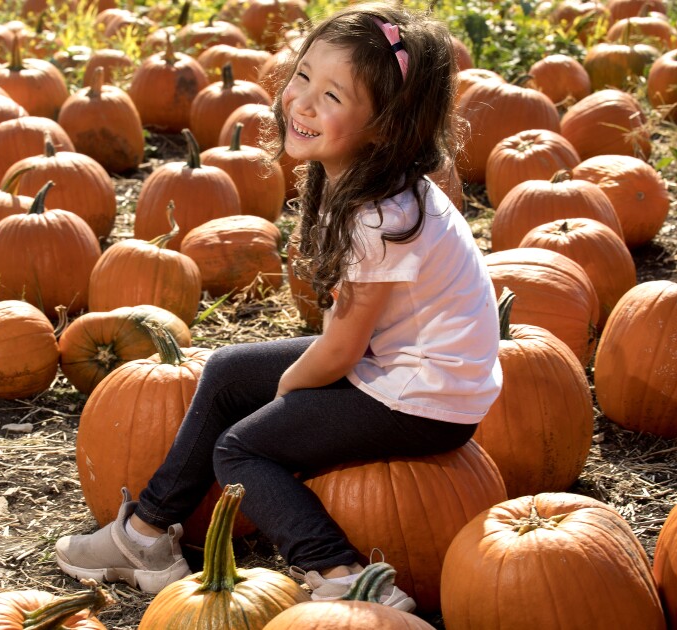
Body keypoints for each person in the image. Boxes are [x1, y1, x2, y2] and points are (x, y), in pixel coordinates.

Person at [55, 2, 501, 612]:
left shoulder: (381, 217)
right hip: (403, 365)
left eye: (333, 96)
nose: (303, 102)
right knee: (227, 371)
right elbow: (347, 331)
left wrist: (293, 391)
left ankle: (343, 573)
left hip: (426, 398)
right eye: (303, 77)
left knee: (241, 449)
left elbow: (341, 349)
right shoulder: (371, 183)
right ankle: (145, 536)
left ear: (388, 126)